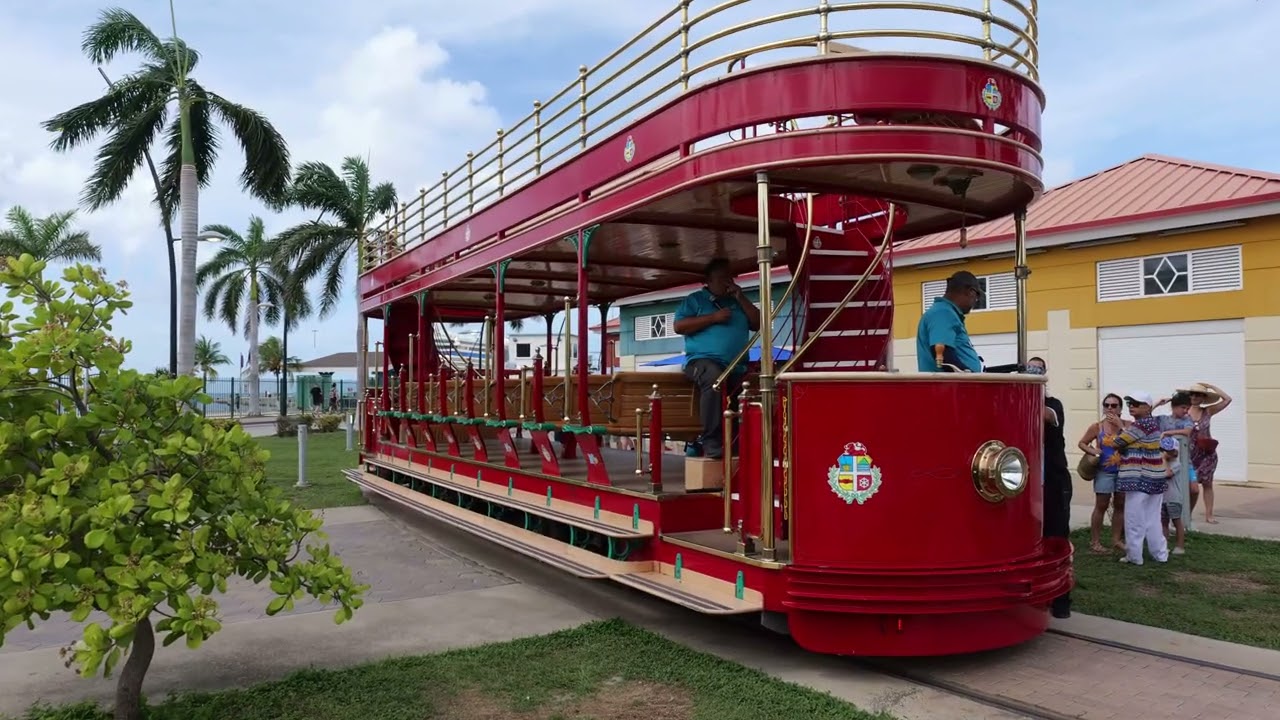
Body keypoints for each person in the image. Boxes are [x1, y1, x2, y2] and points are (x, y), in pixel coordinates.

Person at [673, 258, 761, 460]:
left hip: (737, 365)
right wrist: (713, 318)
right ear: (709, 281)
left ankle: (741, 443)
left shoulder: (737, 301)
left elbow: (757, 323)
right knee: (715, 380)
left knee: (749, 390)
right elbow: (679, 326)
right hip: (702, 361)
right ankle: (711, 441)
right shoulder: (695, 300)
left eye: (729, 278)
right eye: (722, 278)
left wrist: (741, 297)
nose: (727, 282)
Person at [1025, 357, 1071, 618]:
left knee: (1057, 537)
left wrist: (1026, 389)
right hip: (1030, 484)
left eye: (1037, 370)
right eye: (1029, 369)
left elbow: (1045, 415)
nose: (1033, 372)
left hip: (1054, 482)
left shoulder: (1052, 405)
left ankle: (1062, 599)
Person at [1103, 392, 1169, 566]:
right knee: (1153, 518)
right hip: (1155, 477)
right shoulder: (1151, 423)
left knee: (1134, 519)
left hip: (1139, 478)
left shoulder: (1139, 426)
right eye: (1130, 403)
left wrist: (1119, 426)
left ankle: (1135, 556)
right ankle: (1160, 554)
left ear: (1147, 407)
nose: (1132, 406)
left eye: (1136, 404)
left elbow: (1117, 443)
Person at [1077, 393, 1127, 553]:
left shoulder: (1127, 425)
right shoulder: (1097, 427)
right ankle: (1095, 542)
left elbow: (1133, 444)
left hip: (1124, 471)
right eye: (1107, 405)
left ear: (1120, 408)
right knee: (1101, 505)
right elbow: (1082, 443)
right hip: (1104, 471)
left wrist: (1121, 427)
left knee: (1120, 505)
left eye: (1114, 405)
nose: (1110, 408)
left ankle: (1116, 539)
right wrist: (1092, 450)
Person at [1180, 381, 1232, 525]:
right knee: (1191, 486)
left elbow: (1227, 399)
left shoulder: (1207, 411)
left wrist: (1211, 387)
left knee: (1208, 484)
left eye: (1199, 395)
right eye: (1192, 394)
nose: (1195, 397)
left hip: (1207, 454)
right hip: (1189, 455)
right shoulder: (1183, 412)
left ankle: (1209, 515)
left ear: (1203, 397)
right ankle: (1187, 514)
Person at [915, 270, 983, 372]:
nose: (974, 304)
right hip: (950, 386)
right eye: (976, 299)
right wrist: (968, 374)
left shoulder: (946, 312)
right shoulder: (943, 313)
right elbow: (943, 355)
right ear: (971, 292)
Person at [1158, 436, 1187, 555]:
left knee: (1176, 521)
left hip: (1174, 498)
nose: (1164, 453)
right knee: (1163, 522)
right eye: (1163, 450)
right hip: (1163, 498)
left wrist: (1164, 460)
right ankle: (1163, 545)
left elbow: (1167, 474)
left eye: (1168, 451)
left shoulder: (1176, 464)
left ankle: (1180, 546)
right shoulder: (1162, 463)